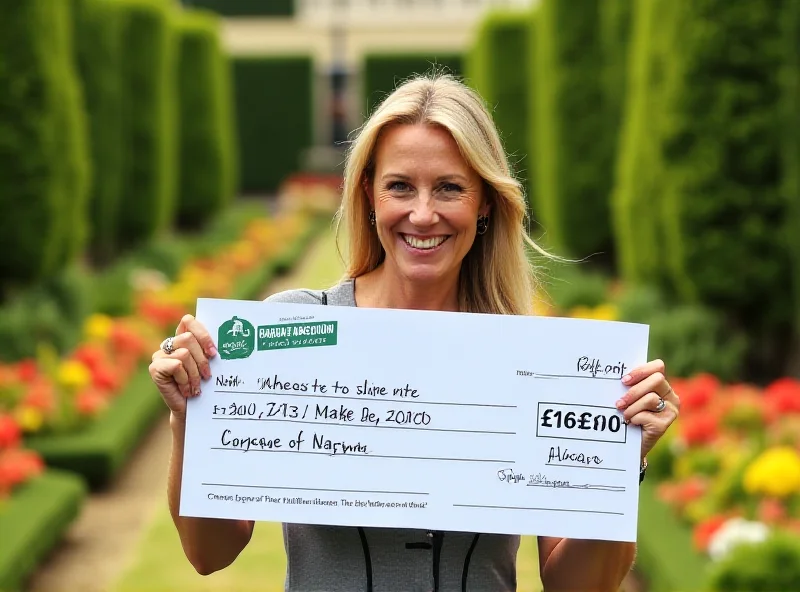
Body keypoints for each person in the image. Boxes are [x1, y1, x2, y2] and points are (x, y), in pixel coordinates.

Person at [149, 73, 681, 592]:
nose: (422, 215)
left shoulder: (537, 357)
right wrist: (187, 415)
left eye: (449, 188)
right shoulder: (295, 332)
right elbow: (209, 554)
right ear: (369, 194)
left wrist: (620, 460)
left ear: (486, 203)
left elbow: (578, 587)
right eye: (400, 186)